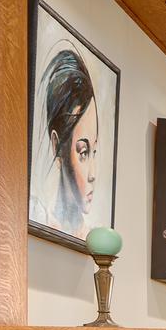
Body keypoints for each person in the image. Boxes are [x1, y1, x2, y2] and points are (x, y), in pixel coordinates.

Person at [32, 47, 102, 239]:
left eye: (94, 152)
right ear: (57, 146)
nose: (93, 174)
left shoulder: (92, 237)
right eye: (83, 152)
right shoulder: (40, 217)